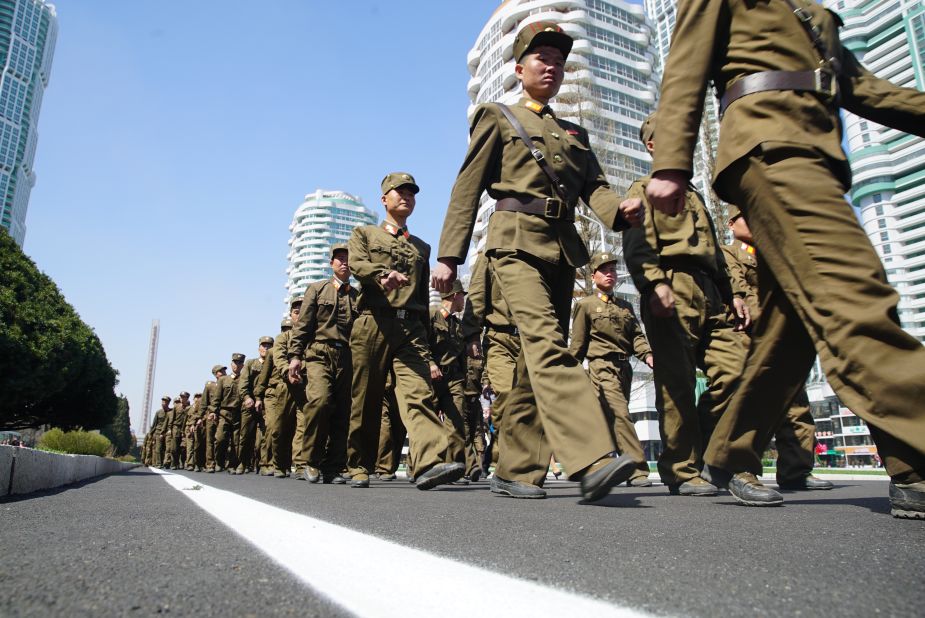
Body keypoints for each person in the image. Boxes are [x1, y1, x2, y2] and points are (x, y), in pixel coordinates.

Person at [644, 0, 925, 516]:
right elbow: (685, 64)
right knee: (855, 297)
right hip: (768, 145)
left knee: (790, 329)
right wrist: (671, 163)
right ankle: (917, 462)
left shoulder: (815, 14)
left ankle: (730, 451)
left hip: (816, 155)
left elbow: (863, 89)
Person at [433, 22, 645, 502]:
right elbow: (466, 188)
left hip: (562, 250)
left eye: (558, 60)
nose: (552, 66)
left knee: (535, 365)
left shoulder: (574, 132)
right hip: (513, 244)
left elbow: (594, 187)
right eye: (541, 58)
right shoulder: (499, 116)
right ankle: (592, 456)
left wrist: (620, 213)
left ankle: (515, 469)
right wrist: (450, 255)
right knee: (549, 344)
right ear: (519, 68)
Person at [623, 114, 750, 497]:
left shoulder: (695, 195)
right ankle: (682, 469)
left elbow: (716, 253)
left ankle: (717, 454)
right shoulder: (643, 188)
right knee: (676, 386)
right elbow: (637, 243)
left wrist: (735, 294)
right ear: (651, 145)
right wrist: (654, 283)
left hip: (712, 289)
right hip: (670, 286)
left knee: (738, 373)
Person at [347, 172, 464, 490]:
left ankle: (429, 462)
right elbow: (357, 264)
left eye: (411, 192)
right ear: (384, 198)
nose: (406, 196)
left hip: (411, 327)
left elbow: (424, 299)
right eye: (399, 192)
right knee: (367, 396)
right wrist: (381, 274)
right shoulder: (365, 234)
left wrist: (427, 351)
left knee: (418, 394)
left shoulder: (422, 248)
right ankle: (358, 464)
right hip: (374, 322)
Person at [722, 206, 833, 491]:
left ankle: (797, 470)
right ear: (732, 224)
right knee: (752, 403)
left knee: (796, 405)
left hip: (784, 336)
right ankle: (742, 470)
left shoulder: (773, 254)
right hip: (751, 336)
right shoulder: (729, 253)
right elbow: (743, 294)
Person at [569, 251, 654, 488]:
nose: (610, 274)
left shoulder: (625, 306)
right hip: (601, 366)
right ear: (593, 275)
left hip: (624, 368)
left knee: (610, 418)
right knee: (620, 414)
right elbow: (577, 343)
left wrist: (647, 354)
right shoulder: (585, 305)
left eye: (613, 270)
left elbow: (636, 335)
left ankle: (597, 465)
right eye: (604, 270)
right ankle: (637, 469)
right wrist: (568, 372)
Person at [288, 243, 358, 483]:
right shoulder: (317, 289)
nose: (344, 262)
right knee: (319, 401)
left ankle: (334, 466)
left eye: (348, 258)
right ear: (331, 263)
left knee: (342, 411)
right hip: (319, 354)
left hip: (347, 357)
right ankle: (310, 461)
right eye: (339, 258)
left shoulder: (358, 296)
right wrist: (295, 357)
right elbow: (303, 326)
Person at [429, 280, 474, 481]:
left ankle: (455, 467)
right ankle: (423, 467)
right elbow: (419, 342)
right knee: (428, 421)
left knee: (456, 420)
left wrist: (465, 379)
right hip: (432, 377)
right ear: (455, 295)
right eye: (462, 296)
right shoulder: (431, 315)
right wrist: (429, 363)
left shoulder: (457, 324)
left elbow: (462, 355)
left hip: (454, 377)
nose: (464, 300)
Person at [238, 336, 273, 474]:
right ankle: (242, 462)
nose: (266, 348)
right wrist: (247, 397)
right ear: (259, 348)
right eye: (263, 345)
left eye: (269, 346)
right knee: (245, 436)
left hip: (266, 403)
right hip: (250, 404)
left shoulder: (274, 363)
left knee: (266, 436)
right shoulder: (250, 363)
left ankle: (263, 464)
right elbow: (243, 383)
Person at [210, 353, 245, 473]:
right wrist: (213, 411)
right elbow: (216, 398)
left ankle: (232, 465)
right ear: (231, 364)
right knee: (220, 439)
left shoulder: (245, 379)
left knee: (236, 442)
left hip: (238, 413)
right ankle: (219, 462)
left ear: (243, 365)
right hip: (224, 413)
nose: (237, 365)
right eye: (235, 362)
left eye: (240, 363)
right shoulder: (223, 380)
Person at [201, 365, 223, 473]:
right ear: (215, 374)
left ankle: (219, 462)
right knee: (209, 441)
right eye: (220, 371)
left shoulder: (227, 383)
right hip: (210, 416)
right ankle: (210, 464)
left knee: (220, 440)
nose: (223, 372)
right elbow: (204, 403)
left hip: (223, 415)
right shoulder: (210, 386)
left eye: (224, 370)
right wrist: (200, 418)